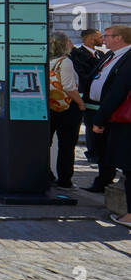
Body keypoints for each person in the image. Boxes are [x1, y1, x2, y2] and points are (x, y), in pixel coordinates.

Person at [86, 25, 131, 197]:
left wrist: (101, 118)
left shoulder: (127, 57)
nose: (103, 39)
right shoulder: (110, 55)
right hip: (95, 107)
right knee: (99, 147)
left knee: (113, 151)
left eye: (107, 36)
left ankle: (106, 180)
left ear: (119, 38)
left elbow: (118, 91)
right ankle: (102, 179)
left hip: (116, 114)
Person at [47, 33, 84, 189]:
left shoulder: (48, 61)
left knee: (45, 142)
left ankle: (46, 173)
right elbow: (69, 87)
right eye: (69, 41)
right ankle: (64, 179)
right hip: (67, 107)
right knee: (67, 145)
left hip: (50, 105)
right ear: (64, 44)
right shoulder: (65, 62)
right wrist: (81, 104)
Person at [70, 28, 110, 163]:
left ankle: (101, 152)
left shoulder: (99, 53)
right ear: (91, 38)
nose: (102, 40)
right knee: (91, 125)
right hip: (87, 97)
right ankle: (93, 153)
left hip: (100, 98)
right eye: (99, 37)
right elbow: (86, 74)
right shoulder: (78, 54)